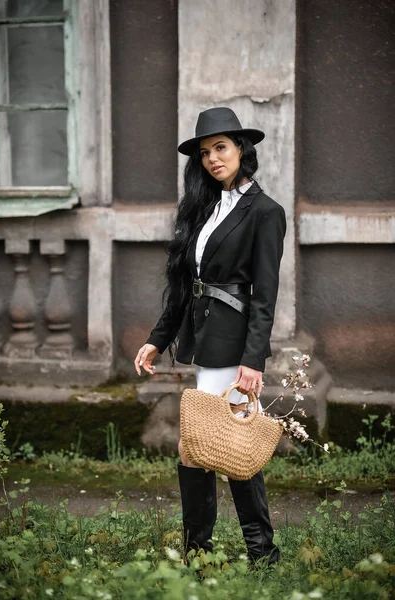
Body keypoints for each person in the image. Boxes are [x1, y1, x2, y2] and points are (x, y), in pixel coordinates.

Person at [134, 107, 286, 564]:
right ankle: (250, 551)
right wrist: (158, 338)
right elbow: (186, 285)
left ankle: (211, 551)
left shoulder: (265, 212)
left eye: (221, 148)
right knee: (219, 442)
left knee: (199, 445)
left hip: (234, 342)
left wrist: (254, 360)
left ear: (242, 149)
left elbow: (265, 296)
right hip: (204, 339)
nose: (213, 159)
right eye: (205, 152)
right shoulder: (204, 208)